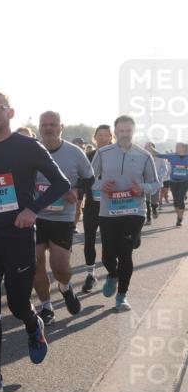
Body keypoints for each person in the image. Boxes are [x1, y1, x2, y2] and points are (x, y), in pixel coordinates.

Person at [0, 91, 69, 392]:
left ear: (10, 112)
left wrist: (33, 210)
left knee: (18, 305)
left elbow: (62, 183)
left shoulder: (28, 146)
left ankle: (33, 324)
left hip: (17, 238)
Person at [92, 116, 160, 310]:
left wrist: (142, 188)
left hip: (134, 211)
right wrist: (101, 185)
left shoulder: (144, 155)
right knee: (107, 256)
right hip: (108, 211)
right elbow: (89, 178)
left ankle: (122, 296)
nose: (125, 134)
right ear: (116, 132)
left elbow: (155, 184)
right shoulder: (103, 153)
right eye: (121, 131)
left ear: (133, 131)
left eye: (128, 131)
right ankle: (112, 274)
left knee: (125, 253)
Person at [32, 112, 94, 322]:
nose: (48, 128)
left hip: (62, 218)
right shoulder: (31, 150)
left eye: (53, 124)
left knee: (60, 267)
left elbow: (89, 178)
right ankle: (46, 306)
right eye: (44, 125)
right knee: (36, 262)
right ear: (39, 127)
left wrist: (77, 192)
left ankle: (65, 287)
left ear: (61, 127)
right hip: (35, 216)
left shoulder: (75, 153)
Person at [80, 125, 113, 292]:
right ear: (95, 137)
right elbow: (81, 179)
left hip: (112, 205)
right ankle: (90, 274)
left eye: (106, 135)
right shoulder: (87, 156)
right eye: (99, 135)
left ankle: (112, 272)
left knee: (109, 241)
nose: (102, 138)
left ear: (110, 137)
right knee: (89, 240)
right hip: (92, 205)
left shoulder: (116, 155)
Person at [156, 143, 188, 227]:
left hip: (184, 181)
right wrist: (151, 148)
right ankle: (179, 216)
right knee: (176, 201)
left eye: (178, 147)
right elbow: (159, 155)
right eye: (176, 147)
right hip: (173, 181)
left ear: (183, 148)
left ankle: (180, 219)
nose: (176, 148)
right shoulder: (172, 155)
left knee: (180, 199)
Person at [145, 142, 170, 223]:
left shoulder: (160, 157)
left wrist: (159, 176)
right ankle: (148, 218)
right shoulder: (142, 156)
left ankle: (155, 209)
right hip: (145, 182)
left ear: (154, 148)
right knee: (146, 200)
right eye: (146, 147)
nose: (148, 149)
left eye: (150, 147)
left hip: (156, 182)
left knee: (154, 201)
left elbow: (165, 169)